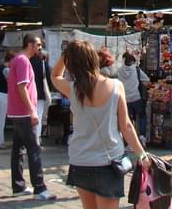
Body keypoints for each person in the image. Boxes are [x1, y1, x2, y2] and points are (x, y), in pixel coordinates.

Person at [50, 40, 150, 209]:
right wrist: (142, 154)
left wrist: (66, 53)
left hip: (80, 160)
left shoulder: (73, 89)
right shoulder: (115, 86)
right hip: (109, 161)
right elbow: (125, 125)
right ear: (93, 59)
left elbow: (55, 76)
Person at [7, 33, 55, 200]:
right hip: (24, 113)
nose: (40, 48)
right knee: (34, 149)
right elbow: (22, 87)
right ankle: (40, 187)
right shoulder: (23, 61)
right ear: (30, 45)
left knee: (18, 149)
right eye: (38, 45)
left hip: (17, 111)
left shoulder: (18, 60)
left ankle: (18, 185)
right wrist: (32, 110)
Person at [117, 52, 150, 146]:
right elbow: (147, 80)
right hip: (136, 98)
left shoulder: (119, 70)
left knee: (128, 120)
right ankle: (142, 136)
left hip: (124, 99)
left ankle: (128, 141)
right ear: (133, 61)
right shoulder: (136, 70)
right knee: (142, 116)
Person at [29, 49, 53, 145]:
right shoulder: (43, 65)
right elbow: (48, 80)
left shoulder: (27, 62)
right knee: (38, 117)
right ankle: (36, 140)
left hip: (28, 94)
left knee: (28, 118)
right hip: (40, 94)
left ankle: (28, 141)